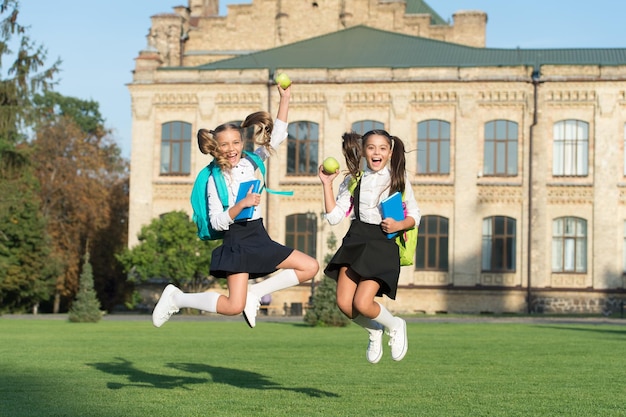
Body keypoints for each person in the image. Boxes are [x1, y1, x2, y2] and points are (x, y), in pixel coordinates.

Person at [152, 83, 319, 329]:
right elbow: (217, 221)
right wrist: (241, 205)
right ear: (216, 148)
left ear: (242, 143)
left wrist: (285, 98)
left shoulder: (250, 162)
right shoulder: (213, 179)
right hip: (237, 241)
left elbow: (279, 136)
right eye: (225, 144)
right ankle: (176, 297)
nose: (231, 149)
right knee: (233, 307)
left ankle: (256, 292)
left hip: (258, 235)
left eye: (236, 143)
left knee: (310, 266)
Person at [318, 130, 420, 363]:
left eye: (382, 148)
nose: (377, 152)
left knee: (362, 303)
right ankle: (375, 330)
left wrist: (400, 224)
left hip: (382, 243)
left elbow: (415, 213)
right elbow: (334, 217)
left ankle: (395, 325)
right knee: (345, 304)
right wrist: (326, 184)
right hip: (356, 239)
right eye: (371, 147)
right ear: (364, 151)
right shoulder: (354, 180)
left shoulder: (398, 178)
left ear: (390, 152)